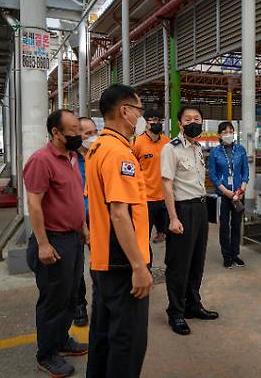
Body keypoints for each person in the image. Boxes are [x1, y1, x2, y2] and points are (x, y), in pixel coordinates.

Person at [84, 84, 153, 377]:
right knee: (127, 342)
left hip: (103, 260)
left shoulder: (98, 147)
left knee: (102, 337)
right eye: (139, 110)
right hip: (122, 264)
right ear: (125, 111)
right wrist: (139, 266)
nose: (142, 117)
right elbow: (119, 214)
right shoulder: (118, 154)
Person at [23, 109, 89, 377]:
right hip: (54, 240)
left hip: (72, 238)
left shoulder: (72, 157)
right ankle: (46, 354)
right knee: (53, 300)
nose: (79, 135)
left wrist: (83, 228)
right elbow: (34, 205)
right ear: (56, 132)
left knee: (70, 295)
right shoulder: (41, 160)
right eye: (73, 130)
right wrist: (43, 244)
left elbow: (74, 198)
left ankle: (61, 341)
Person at [161, 106, 218, 336]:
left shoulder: (197, 147)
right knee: (178, 264)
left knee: (197, 261)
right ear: (179, 124)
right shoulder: (170, 148)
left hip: (201, 208)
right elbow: (166, 185)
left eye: (197, 118)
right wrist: (173, 217)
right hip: (182, 210)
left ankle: (193, 305)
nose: (193, 122)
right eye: (188, 119)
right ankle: (175, 311)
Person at [208, 121, 249, 269]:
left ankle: (235, 254)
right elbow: (212, 174)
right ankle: (226, 256)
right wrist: (225, 191)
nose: (228, 134)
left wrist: (241, 189)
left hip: (238, 195)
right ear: (219, 135)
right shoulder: (215, 152)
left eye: (230, 131)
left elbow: (245, 171)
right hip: (223, 196)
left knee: (237, 226)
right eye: (224, 132)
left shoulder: (241, 150)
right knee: (224, 227)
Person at [72, 116, 98, 327]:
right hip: (75, 220)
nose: (93, 137)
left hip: (98, 219)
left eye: (95, 131)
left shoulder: (100, 156)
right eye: (87, 133)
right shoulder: (69, 160)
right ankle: (79, 303)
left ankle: (101, 300)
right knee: (76, 264)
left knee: (99, 262)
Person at [132, 109, 170, 247]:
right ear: (145, 122)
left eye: (160, 120)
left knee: (167, 232)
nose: (157, 123)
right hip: (146, 198)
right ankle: (144, 265)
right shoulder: (137, 143)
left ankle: (161, 233)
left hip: (165, 197)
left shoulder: (167, 142)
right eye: (153, 119)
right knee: (143, 236)